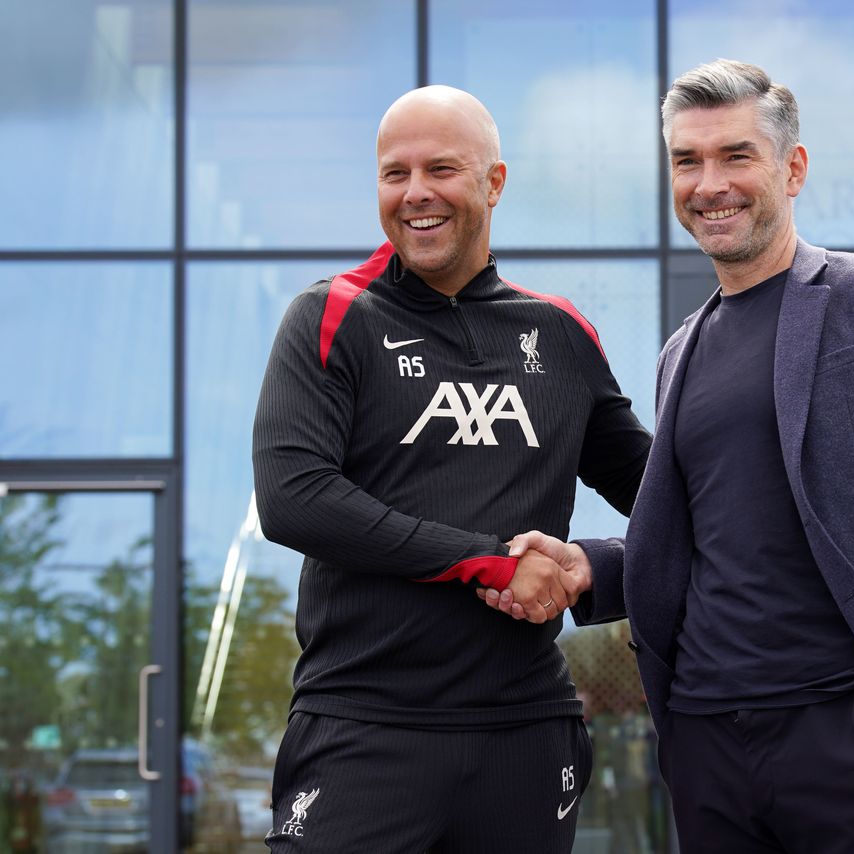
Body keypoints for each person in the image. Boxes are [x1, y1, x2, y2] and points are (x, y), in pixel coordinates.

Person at [484, 59, 854, 853]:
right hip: (708, 740)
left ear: (792, 168)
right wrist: (588, 565)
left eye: (735, 156)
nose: (709, 183)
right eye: (687, 161)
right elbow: (704, 536)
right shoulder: (680, 350)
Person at [251, 85, 651, 852]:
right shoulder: (331, 317)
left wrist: (592, 569)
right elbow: (294, 498)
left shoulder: (560, 333)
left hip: (526, 735)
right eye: (394, 174)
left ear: (494, 183)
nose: (415, 193)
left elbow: (672, 503)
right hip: (364, 726)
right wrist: (488, 563)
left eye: (440, 169)